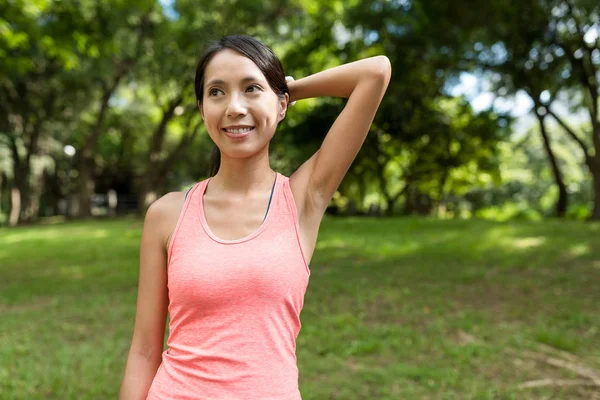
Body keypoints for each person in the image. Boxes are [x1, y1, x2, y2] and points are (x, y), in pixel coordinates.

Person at [119, 35, 391, 400]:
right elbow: (144, 350)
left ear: (281, 106)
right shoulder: (167, 214)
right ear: (202, 110)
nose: (233, 107)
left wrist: (288, 91)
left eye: (250, 89)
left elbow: (375, 72)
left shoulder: (302, 199)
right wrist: (267, 92)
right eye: (216, 92)